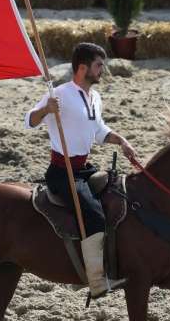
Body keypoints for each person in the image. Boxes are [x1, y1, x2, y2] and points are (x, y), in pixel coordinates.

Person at [25, 42, 137, 299]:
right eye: (99, 65)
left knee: (116, 197)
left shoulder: (95, 97)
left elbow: (99, 132)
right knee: (95, 215)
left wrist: (122, 141)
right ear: (82, 67)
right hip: (61, 172)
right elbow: (29, 121)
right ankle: (96, 281)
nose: (102, 70)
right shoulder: (60, 94)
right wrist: (45, 110)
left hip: (84, 169)